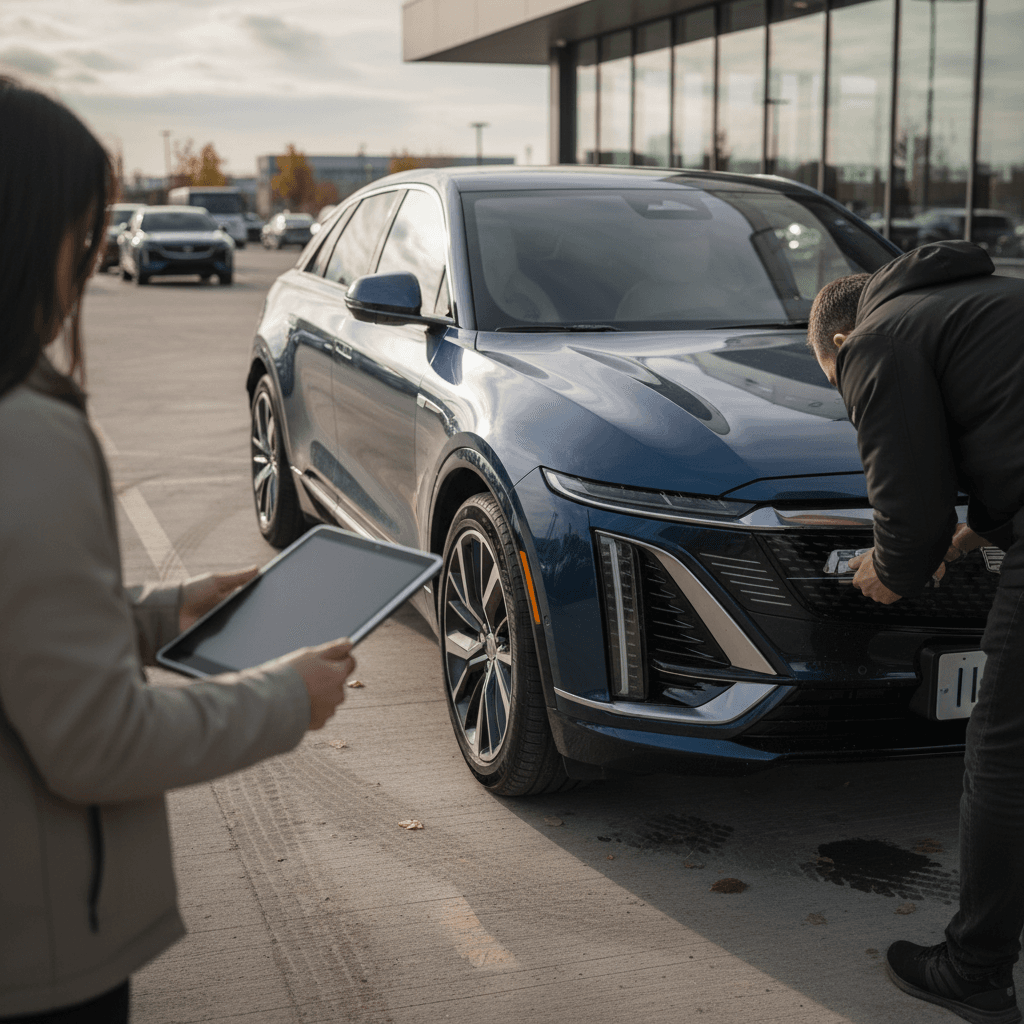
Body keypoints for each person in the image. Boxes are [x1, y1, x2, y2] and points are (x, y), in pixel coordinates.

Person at [0, 79, 357, 1022]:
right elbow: (94, 745)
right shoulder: (26, 433)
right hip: (37, 951)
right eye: (81, 235)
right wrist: (289, 699)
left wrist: (163, 613)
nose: (84, 266)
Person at [807, 239, 1024, 1024]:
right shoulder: (984, 297)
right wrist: (980, 530)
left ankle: (974, 969)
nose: (844, 392)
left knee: (1004, 756)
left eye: (833, 386)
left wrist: (893, 569)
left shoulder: (873, 342)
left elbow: (909, 505)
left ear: (835, 344)